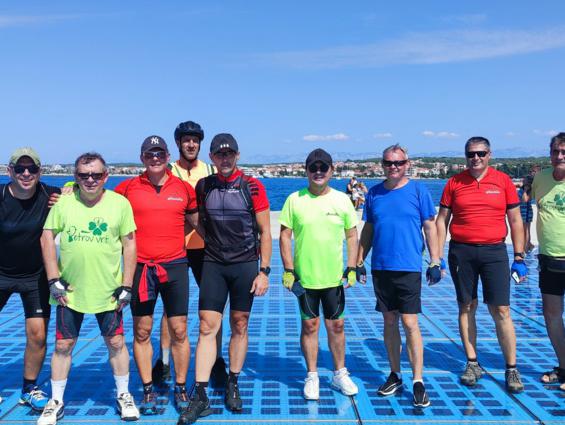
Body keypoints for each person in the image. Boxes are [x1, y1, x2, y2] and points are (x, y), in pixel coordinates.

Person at [38, 152, 139, 425]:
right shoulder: (64, 203)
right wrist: (53, 279)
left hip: (108, 290)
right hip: (69, 292)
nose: (90, 179)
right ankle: (56, 401)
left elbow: (130, 244)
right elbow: (47, 238)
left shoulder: (120, 204)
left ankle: (124, 394)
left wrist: (127, 285)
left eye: (96, 174)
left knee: (116, 342)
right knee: (63, 345)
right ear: (76, 177)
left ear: (106, 176)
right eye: (84, 175)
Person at [178, 133, 271, 424]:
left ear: (238, 155)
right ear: (212, 158)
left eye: (229, 153)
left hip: (245, 264)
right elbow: (195, 219)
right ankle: (200, 394)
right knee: (207, 325)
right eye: (219, 154)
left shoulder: (252, 187)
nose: (225, 158)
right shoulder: (204, 186)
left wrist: (264, 271)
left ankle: (233, 381)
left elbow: (265, 232)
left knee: (239, 324)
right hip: (214, 264)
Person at [115, 136, 199, 415]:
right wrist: (70, 189)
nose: (155, 158)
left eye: (160, 153)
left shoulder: (184, 188)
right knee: (142, 330)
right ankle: (148, 388)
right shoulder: (127, 188)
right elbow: (97, 200)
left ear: (167, 156)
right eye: (150, 154)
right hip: (140, 268)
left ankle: (180, 386)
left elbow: (199, 224)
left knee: (179, 330)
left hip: (175, 266)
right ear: (142, 157)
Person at [436, 136, 527, 393]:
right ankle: (472, 363)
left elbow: (515, 220)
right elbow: (442, 220)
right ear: (466, 156)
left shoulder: (503, 181)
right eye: (471, 154)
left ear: (489, 155)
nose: (475, 158)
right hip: (461, 252)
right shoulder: (454, 182)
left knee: (501, 310)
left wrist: (519, 256)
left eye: (481, 153)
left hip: (494, 252)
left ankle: (511, 368)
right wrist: (437, 256)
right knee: (466, 306)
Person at [356, 144, 441, 407]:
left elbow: (430, 227)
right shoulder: (374, 193)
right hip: (381, 267)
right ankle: (395, 374)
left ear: (407, 164)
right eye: (388, 163)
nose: (393, 167)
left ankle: (418, 381)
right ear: (382, 164)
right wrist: (359, 261)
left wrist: (435, 260)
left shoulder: (418, 191)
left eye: (399, 163)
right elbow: (368, 229)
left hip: (408, 267)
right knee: (389, 320)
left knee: (410, 322)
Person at [150, 121, 226, 389]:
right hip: (176, 249)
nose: (191, 144)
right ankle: (164, 361)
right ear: (178, 143)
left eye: (195, 140)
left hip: (206, 249)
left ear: (200, 144)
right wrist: (72, 187)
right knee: (170, 310)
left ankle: (217, 361)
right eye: (186, 140)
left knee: (214, 308)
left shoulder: (211, 170)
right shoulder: (167, 171)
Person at [279, 148, 359, 401]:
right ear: (306, 171)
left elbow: (352, 235)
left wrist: (352, 267)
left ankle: (339, 374)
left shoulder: (342, 200)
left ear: (332, 171)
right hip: (305, 279)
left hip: (334, 279)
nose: (318, 172)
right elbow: (284, 235)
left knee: (337, 326)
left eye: (323, 167)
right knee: (310, 325)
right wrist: (289, 270)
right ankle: (312, 375)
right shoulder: (294, 200)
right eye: (313, 168)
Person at [0, 148, 60, 412]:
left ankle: (29, 389)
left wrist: (68, 192)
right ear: (9, 171)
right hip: (1, 273)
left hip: (35, 276)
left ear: (40, 172)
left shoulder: (51, 194)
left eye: (32, 168)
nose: (26, 173)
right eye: (20, 169)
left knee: (37, 335)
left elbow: (81, 190)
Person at [532, 132, 565, 391]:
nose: (559, 156)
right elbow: (523, 207)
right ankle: (564, 366)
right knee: (552, 315)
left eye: (564, 152)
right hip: (550, 258)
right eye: (555, 152)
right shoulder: (540, 179)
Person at [518, 176, 534, 254]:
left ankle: (526, 248)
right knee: (522, 230)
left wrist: (525, 190)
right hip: (521, 211)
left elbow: (525, 200)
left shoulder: (530, 191)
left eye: (525, 180)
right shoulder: (522, 189)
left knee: (526, 230)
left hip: (527, 212)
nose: (523, 181)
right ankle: (529, 245)